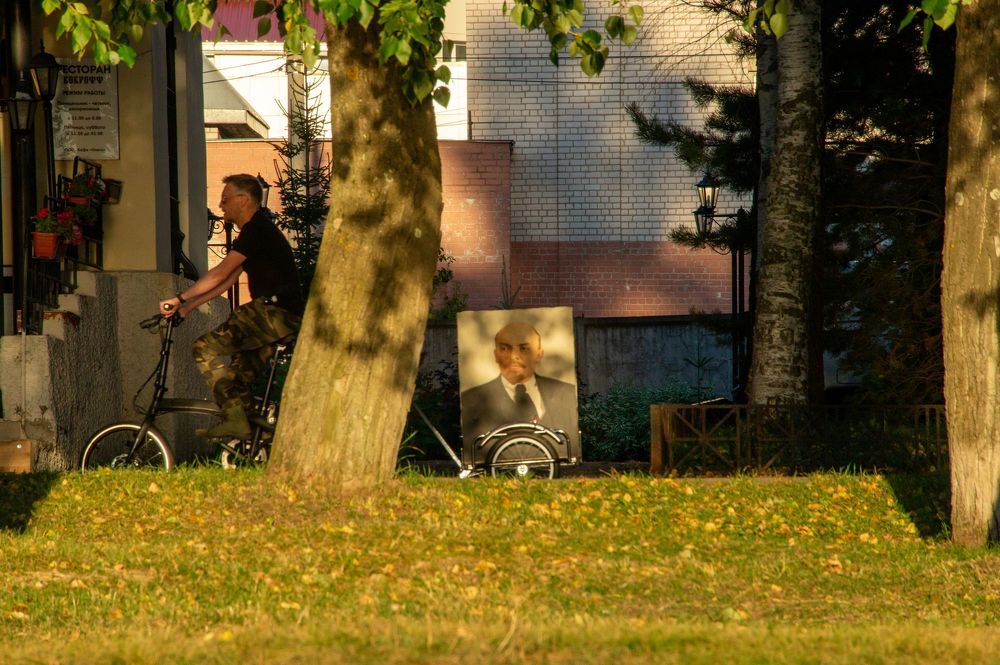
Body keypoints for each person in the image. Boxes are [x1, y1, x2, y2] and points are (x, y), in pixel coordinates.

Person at [159, 174, 304, 439]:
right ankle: (262, 437)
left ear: (243, 200)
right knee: (235, 382)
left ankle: (238, 423)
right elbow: (226, 281)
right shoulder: (254, 232)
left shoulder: (257, 230)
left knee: (204, 348)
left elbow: (220, 272)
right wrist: (189, 307)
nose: (220, 205)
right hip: (281, 319)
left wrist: (179, 298)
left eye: (225, 199)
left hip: (273, 313)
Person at [460, 321, 578, 446]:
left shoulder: (567, 393)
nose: (514, 356)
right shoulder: (471, 399)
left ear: (539, 354)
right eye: (505, 348)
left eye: (524, 348)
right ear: (496, 355)